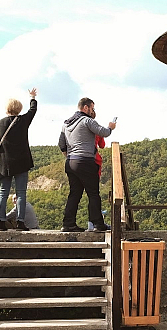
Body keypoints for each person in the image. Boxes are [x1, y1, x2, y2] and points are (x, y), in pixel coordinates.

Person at [58, 97, 116, 232]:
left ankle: (68, 223)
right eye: (92, 108)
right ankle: (97, 224)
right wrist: (111, 127)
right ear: (85, 107)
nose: (93, 110)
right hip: (85, 161)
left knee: (74, 194)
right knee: (93, 193)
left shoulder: (66, 123)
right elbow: (104, 133)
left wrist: (71, 156)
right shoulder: (87, 121)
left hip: (71, 161)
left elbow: (61, 144)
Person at [0, 88, 37, 231]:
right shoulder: (23, 121)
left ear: (7, 109)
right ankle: (20, 222)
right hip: (22, 161)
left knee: (3, 191)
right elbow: (33, 110)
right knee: (21, 192)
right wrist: (32, 97)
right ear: (19, 109)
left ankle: (0, 222)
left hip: (5, 162)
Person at [87, 134, 105, 231]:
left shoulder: (71, 127)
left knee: (75, 195)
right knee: (93, 195)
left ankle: (69, 223)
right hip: (93, 162)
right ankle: (95, 224)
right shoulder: (96, 129)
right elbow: (102, 145)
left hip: (73, 161)